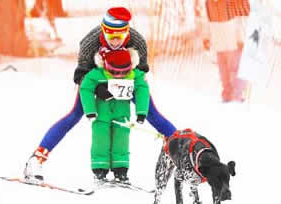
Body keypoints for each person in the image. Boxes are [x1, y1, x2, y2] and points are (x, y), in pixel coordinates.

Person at [24, 7, 176, 183]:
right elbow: (81, 75)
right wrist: (97, 89)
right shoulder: (90, 42)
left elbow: (141, 74)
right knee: (74, 115)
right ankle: (37, 158)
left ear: (127, 32)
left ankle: (183, 148)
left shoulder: (138, 42)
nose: (115, 40)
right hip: (96, 80)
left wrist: (125, 90)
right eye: (110, 35)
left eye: (119, 35)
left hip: (127, 81)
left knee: (151, 113)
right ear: (103, 30)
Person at [80, 48, 149, 183]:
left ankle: (121, 169)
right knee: (100, 140)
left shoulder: (136, 75)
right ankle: (100, 169)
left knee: (121, 140)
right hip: (101, 115)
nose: (119, 76)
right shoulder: (97, 74)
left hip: (122, 115)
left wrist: (141, 112)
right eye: (114, 72)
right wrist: (90, 110)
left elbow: (142, 89)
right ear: (106, 66)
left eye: (124, 72)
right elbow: (85, 88)